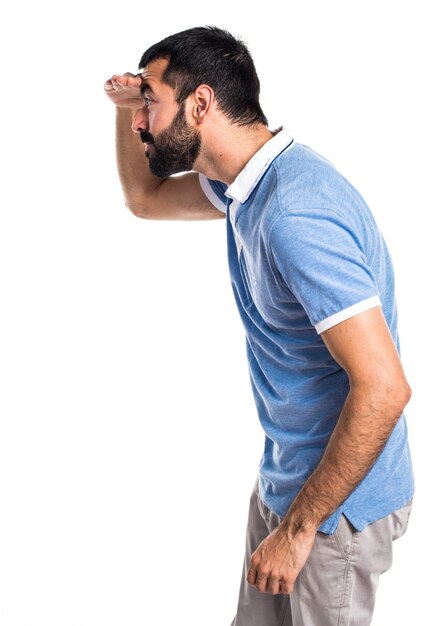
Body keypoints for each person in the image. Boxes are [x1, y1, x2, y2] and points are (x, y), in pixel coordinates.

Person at [104, 26, 414, 626]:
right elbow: (144, 200)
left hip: (334, 511)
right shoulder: (243, 185)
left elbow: (385, 389)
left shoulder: (297, 213)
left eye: (150, 103)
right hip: (287, 480)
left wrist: (301, 528)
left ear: (200, 103)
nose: (142, 122)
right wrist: (124, 110)